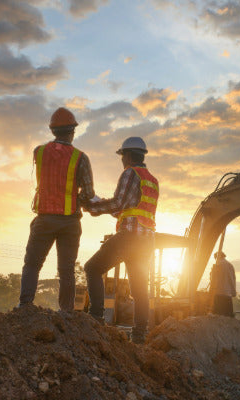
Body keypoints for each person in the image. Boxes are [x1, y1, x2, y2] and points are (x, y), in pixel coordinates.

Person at [19, 107, 97, 312]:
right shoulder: (81, 158)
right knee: (66, 270)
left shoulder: (39, 151)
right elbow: (88, 194)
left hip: (44, 218)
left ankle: (25, 306)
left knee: (32, 265)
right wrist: (76, 198)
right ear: (73, 131)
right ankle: (67, 313)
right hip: (70, 221)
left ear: (53, 131)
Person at [83, 136, 159, 344]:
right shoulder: (152, 180)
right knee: (140, 288)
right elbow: (129, 210)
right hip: (146, 240)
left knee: (92, 268)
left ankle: (96, 317)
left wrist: (92, 207)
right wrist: (104, 208)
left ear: (127, 156)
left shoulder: (129, 173)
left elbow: (118, 204)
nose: (122, 161)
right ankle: (139, 335)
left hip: (129, 238)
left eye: (122, 156)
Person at [209, 251, 236, 317]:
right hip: (228, 294)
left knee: (217, 316)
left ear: (217, 257)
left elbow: (213, 279)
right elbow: (233, 279)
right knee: (228, 317)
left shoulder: (217, 265)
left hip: (219, 294)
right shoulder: (230, 265)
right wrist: (233, 292)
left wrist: (211, 292)